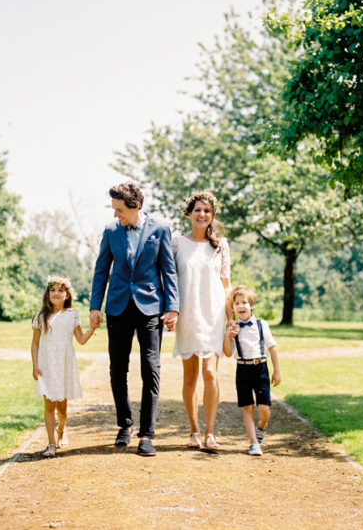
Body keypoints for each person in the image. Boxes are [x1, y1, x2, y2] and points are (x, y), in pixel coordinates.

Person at [89, 182, 179, 456]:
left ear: (135, 206)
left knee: (150, 368)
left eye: (119, 209)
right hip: (117, 307)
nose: (116, 215)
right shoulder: (110, 231)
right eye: (114, 209)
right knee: (118, 369)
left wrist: (172, 307)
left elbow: (169, 270)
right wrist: (95, 306)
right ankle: (124, 424)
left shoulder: (160, 229)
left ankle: (147, 434)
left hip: (150, 307)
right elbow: (101, 270)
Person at [172, 190, 232, 451]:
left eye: (207, 211)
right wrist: (170, 310)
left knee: (210, 373)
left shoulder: (221, 245)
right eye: (197, 210)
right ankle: (193, 430)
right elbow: (171, 281)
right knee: (190, 377)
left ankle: (210, 431)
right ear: (188, 213)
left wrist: (231, 319)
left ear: (212, 216)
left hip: (214, 314)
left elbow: (226, 284)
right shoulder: (176, 243)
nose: (202, 214)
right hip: (188, 314)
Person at [31, 275, 96, 458]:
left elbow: (81, 340)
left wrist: (91, 330)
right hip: (46, 365)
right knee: (49, 406)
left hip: (64, 365)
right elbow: (35, 343)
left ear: (67, 294)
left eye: (60, 290)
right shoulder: (40, 316)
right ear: (47, 294)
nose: (56, 293)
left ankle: (62, 428)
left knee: (62, 409)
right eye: (53, 290)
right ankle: (51, 444)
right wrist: (35, 364)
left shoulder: (72, 315)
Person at [222, 284, 281, 456]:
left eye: (244, 303)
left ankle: (262, 425)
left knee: (264, 408)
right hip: (243, 371)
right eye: (237, 303)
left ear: (252, 305)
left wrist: (276, 371)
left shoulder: (262, 325)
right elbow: (227, 353)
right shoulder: (233, 328)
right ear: (233, 308)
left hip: (261, 368)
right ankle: (254, 442)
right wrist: (228, 336)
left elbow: (272, 348)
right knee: (247, 407)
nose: (241, 306)